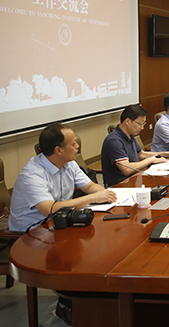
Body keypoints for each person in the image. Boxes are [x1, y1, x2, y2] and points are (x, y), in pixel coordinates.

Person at [10, 123, 119, 326]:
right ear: (58, 150)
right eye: (73, 143)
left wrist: (104, 194)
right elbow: (49, 209)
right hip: (31, 234)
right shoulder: (32, 174)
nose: (78, 146)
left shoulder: (68, 163)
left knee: (101, 240)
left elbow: (89, 186)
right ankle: (67, 303)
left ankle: (97, 301)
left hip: (59, 224)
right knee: (84, 253)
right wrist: (93, 198)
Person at [102, 104, 169, 187]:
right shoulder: (113, 141)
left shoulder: (129, 135)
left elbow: (141, 154)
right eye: (140, 124)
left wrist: (167, 153)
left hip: (135, 178)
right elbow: (126, 169)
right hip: (120, 185)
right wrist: (150, 160)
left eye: (143, 124)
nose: (142, 128)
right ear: (127, 121)